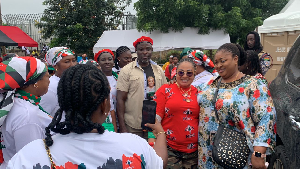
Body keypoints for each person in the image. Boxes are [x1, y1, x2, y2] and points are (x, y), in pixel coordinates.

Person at [6, 64, 168, 168]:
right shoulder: (134, 147)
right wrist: (160, 133)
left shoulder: (28, 156)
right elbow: (159, 163)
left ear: (63, 102)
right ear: (105, 105)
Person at [197, 43, 276, 169]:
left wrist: (258, 153)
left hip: (237, 154)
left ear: (235, 59)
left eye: (223, 61)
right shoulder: (209, 84)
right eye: (216, 62)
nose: (218, 65)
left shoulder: (253, 85)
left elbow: (266, 119)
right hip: (208, 155)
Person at [0, 56, 51, 167]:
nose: (49, 80)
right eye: (47, 76)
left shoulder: (14, 102)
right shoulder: (26, 114)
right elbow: (30, 159)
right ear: (36, 83)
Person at [149, 58, 200, 168]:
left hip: (193, 151)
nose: (185, 76)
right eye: (181, 72)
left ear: (195, 74)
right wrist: (153, 141)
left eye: (189, 73)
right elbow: (154, 119)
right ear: (175, 73)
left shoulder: (199, 92)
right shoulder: (165, 89)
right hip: (170, 148)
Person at [116, 36, 167, 139]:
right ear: (136, 51)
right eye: (141, 49)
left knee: (152, 153)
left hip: (154, 124)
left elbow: (165, 94)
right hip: (133, 125)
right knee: (134, 154)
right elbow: (120, 99)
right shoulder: (126, 70)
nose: (145, 52)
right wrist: (122, 127)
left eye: (148, 49)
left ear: (151, 50)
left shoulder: (158, 70)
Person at [40, 47, 77, 117]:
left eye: (74, 60)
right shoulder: (50, 87)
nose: (72, 65)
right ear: (55, 66)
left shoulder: (74, 82)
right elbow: (42, 116)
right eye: (67, 61)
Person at [94, 49, 118, 132]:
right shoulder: (95, 80)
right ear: (98, 63)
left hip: (121, 117)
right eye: (103, 60)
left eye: (109, 59)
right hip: (107, 119)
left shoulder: (119, 77)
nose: (107, 62)